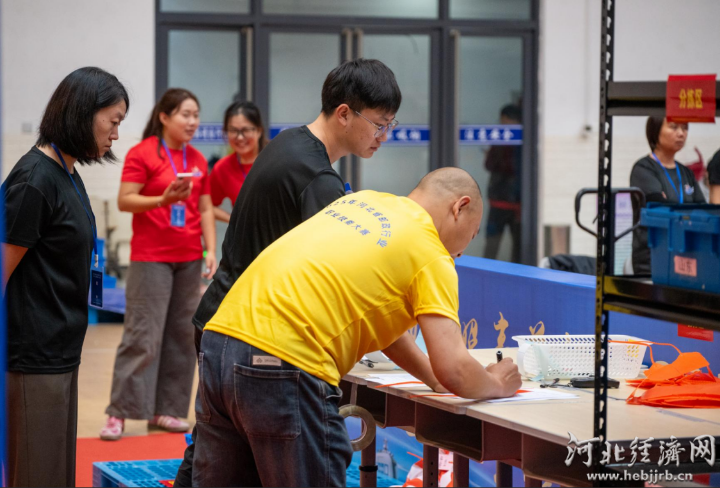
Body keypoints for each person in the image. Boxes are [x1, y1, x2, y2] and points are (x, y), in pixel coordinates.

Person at [192, 168, 523, 487]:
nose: (462, 252)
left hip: (219, 342)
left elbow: (386, 329)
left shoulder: (361, 202)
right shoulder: (432, 253)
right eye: (472, 234)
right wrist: (497, 383)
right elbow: (456, 369)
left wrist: (432, 379)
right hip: (284, 359)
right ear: (460, 207)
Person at [174, 58, 401, 487]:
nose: (384, 135)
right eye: (379, 124)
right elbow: (342, 282)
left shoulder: (290, 143)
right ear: (344, 113)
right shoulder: (317, 178)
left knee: (208, 461)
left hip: (220, 325)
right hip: (249, 337)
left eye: (390, 125)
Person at [2, 67, 128, 487]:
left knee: (55, 472)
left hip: (61, 349)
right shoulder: (34, 179)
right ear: (82, 113)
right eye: (113, 122)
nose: (115, 135)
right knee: (36, 474)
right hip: (32, 355)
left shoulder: (67, 173)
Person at [100, 88, 217, 440]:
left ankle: (167, 410)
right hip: (151, 258)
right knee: (142, 336)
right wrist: (162, 200)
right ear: (165, 117)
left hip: (189, 258)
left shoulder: (197, 159)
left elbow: (206, 208)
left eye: (196, 115)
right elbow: (125, 200)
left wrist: (211, 250)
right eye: (185, 114)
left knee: (182, 338)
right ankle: (119, 412)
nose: (192, 122)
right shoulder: (144, 153)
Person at [630, 117, 706, 274]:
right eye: (673, 127)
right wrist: (686, 213)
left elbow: (703, 212)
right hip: (653, 258)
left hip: (687, 255)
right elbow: (660, 211)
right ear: (655, 131)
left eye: (684, 128)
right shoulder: (643, 169)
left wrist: (672, 205)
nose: (681, 133)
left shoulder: (686, 173)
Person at [210, 101, 268, 222]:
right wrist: (235, 221)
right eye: (233, 130)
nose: (240, 137)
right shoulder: (223, 168)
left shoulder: (277, 159)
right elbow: (207, 205)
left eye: (246, 130)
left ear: (259, 131)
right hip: (247, 234)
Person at [483, 104, 522, 262]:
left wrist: (490, 156)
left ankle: (485, 273)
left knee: (492, 246)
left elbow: (492, 165)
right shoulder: (523, 138)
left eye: (503, 119)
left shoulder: (503, 139)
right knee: (518, 249)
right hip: (514, 202)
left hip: (502, 201)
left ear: (507, 118)